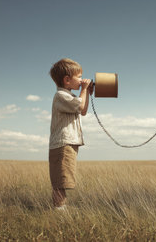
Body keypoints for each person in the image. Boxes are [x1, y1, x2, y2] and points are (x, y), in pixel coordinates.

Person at [48, 58, 93, 210]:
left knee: (64, 177)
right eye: (79, 77)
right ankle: (59, 209)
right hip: (63, 144)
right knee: (61, 180)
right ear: (67, 80)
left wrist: (86, 92)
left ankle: (61, 207)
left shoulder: (70, 96)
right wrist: (84, 90)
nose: (81, 80)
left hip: (68, 143)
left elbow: (83, 110)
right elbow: (80, 106)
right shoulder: (61, 96)